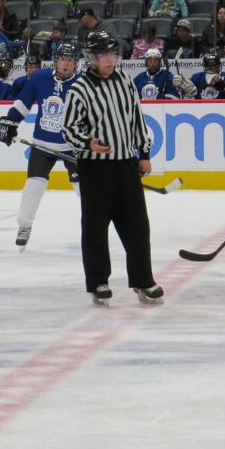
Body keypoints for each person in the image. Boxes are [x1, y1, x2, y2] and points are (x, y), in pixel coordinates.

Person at [61, 31, 163, 306]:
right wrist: (89, 143)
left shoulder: (126, 82)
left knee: (137, 226)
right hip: (94, 168)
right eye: (103, 55)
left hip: (127, 165)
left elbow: (137, 120)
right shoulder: (79, 89)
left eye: (112, 54)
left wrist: (143, 153)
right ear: (92, 58)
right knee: (95, 227)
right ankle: (98, 282)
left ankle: (144, 280)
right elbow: (69, 129)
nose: (109, 59)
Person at [0, 43, 81, 248]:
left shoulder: (84, 83)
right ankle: (25, 225)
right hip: (43, 144)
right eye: (63, 59)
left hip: (74, 146)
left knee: (85, 191)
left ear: (76, 63)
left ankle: (92, 227)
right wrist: (10, 121)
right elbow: (23, 103)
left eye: (70, 60)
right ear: (55, 61)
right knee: (34, 185)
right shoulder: (40, 78)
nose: (66, 64)